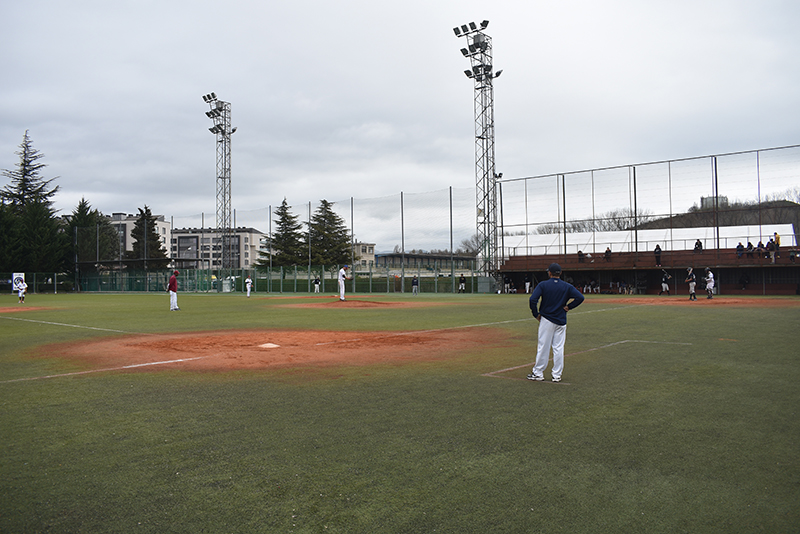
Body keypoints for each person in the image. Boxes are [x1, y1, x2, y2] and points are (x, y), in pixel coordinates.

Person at [527, 263, 584, 383]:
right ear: (560, 273)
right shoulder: (567, 286)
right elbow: (580, 297)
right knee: (558, 348)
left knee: (543, 346)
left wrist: (535, 314)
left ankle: (538, 373)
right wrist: (569, 307)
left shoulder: (543, 285)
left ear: (549, 273)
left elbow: (533, 299)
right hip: (561, 320)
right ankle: (557, 375)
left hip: (547, 320)